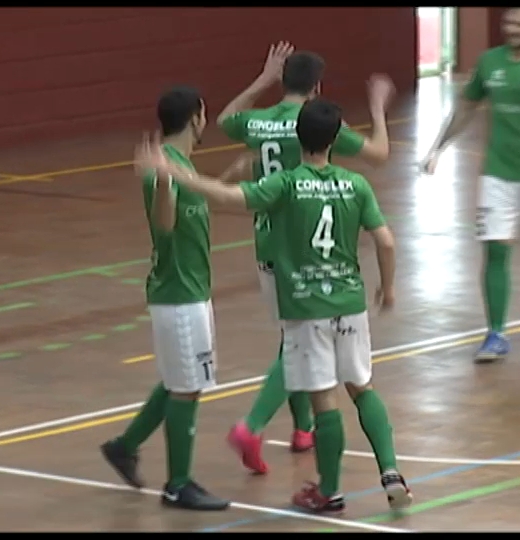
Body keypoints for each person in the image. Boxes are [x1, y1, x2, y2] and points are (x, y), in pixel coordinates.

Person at [134, 97, 413, 515]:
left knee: (324, 401)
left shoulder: (285, 185)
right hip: (349, 302)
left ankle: (329, 491)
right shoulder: (357, 185)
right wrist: (387, 289)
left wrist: (176, 175)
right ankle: (390, 472)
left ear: (298, 137)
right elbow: (386, 241)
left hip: (305, 305)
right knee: (361, 385)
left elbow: (227, 198)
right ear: (336, 139)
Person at [214, 43, 394, 475]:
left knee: (293, 335)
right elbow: (379, 154)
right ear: (317, 87)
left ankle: (302, 428)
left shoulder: (258, 121)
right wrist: (377, 106)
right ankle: (252, 425)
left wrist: (262, 79)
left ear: (283, 79)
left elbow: (222, 121)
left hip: (266, 242)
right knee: (297, 342)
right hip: (307, 249)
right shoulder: (315, 121)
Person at [420, 7, 520, 363]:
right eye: (509, 23)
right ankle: (496, 333)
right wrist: (437, 149)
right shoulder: (489, 62)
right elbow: (466, 107)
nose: (513, 29)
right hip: (497, 171)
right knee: (494, 249)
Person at [99, 85, 230, 512]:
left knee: (180, 381)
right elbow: (166, 224)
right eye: (204, 114)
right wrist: (163, 184)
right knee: (187, 388)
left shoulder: (180, 165)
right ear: (195, 118)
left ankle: (124, 446)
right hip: (178, 294)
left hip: (191, 290)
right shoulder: (165, 168)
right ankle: (178, 485)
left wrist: (222, 180)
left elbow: (191, 204)